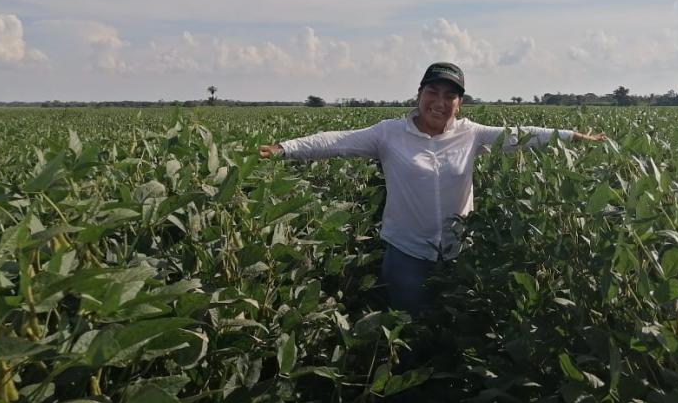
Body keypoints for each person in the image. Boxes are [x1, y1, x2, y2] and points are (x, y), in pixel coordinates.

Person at [259, 62, 606, 315]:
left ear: (460, 103)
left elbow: (522, 134)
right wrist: (284, 148)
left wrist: (574, 137)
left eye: (450, 96)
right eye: (433, 92)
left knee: (453, 329)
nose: (440, 102)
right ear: (419, 94)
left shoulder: (472, 134)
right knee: (408, 328)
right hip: (406, 254)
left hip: (458, 254)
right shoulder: (388, 133)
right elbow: (335, 141)